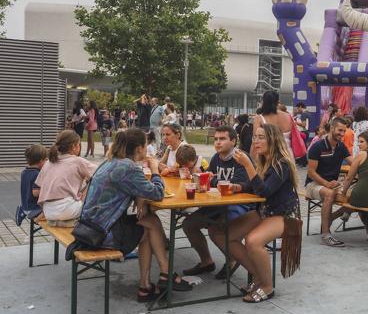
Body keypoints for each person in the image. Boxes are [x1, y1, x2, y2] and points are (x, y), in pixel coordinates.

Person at [79, 129, 192, 301]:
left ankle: (147, 285)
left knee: (149, 222)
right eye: (146, 145)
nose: (147, 148)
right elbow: (157, 193)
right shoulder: (128, 167)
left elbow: (127, 187)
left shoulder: (111, 161)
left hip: (90, 225)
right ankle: (164, 275)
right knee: (150, 225)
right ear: (139, 148)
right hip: (101, 233)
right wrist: (155, 170)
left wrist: (139, 195)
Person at [214, 123, 300, 303]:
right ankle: (258, 275)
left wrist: (247, 165)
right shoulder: (263, 160)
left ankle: (267, 286)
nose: (256, 141)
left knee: (253, 241)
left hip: (284, 214)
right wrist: (240, 186)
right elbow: (256, 186)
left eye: (261, 137)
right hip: (265, 211)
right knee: (221, 234)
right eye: (255, 137)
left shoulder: (281, 164)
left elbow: (264, 191)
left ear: (273, 140)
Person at [182, 126, 252, 279]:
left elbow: (235, 185)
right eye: (216, 139)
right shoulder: (216, 157)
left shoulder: (241, 158)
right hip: (218, 204)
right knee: (188, 224)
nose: (218, 143)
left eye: (222, 139)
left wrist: (213, 181)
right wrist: (207, 182)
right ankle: (206, 261)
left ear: (233, 141)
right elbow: (211, 181)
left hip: (240, 206)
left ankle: (233, 259)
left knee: (215, 230)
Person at [305, 117, 353, 247]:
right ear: (332, 128)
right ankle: (326, 235)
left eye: (344, 131)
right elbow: (311, 173)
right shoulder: (317, 146)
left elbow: (353, 163)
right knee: (329, 194)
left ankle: (331, 217)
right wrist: (326, 184)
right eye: (340, 130)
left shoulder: (341, 146)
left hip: (333, 184)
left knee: (357, 195)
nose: (342, 134)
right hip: (313, 184)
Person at [36, 130, 97, 226]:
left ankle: (62, 221)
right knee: (94, 183)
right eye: (79, 145)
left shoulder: (49, 162)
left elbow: (40, 185)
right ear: (73, 146)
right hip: (67, 210)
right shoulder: (78, 161)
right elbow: (101, 174)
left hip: (48, 211)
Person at [254, 91, 295, 159]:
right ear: (278, 101)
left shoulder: (259, 118)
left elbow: (255, 141)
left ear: (263, 101)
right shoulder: (288, 116)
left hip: (267, 156)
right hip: (287, 154)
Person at [15, 145, 48, 226]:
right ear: (41, 161)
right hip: (35, 209)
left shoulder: (24, 172)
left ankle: (22, 209)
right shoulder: (37, 174)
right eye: (46, 160)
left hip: (25, 205)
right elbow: (36, 193)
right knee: (52, 212)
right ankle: (36, 220)